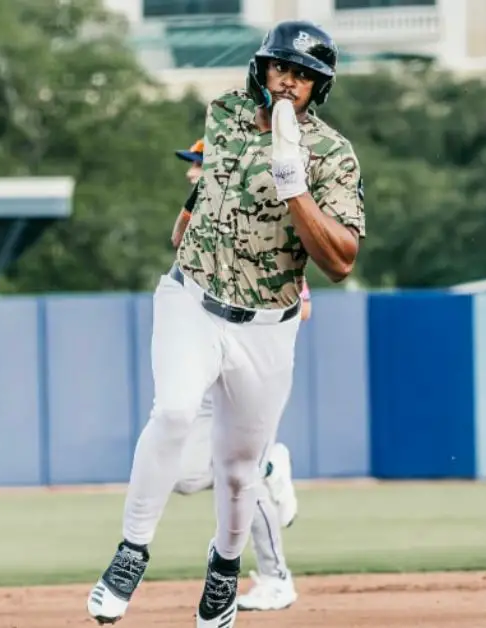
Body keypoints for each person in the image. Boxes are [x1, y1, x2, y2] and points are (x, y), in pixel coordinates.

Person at [86, 19, 364, 628]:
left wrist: (297, 190)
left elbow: (342, 259)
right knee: (174, 411)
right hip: (191, 297)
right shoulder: (225, 113)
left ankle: (226, 567)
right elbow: (200, 200)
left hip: (266, 326)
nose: (287, 82)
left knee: (239, 471)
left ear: (320, 87)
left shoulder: (332, 155)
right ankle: (131, 552)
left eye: (302, 75)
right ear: (262, 70)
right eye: (279, 69)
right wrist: (186, 222)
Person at [169, 137, 305, 612]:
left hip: (250, 366)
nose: (191, 172)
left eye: (199, 164)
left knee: (239, 476)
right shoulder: (206, 225)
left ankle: (276, 578)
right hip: (204, 367)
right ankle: (269, 464)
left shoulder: (263, 224)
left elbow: (298, 303)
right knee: (185, 477)